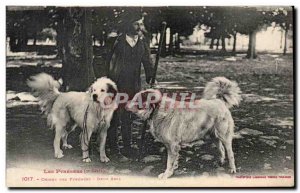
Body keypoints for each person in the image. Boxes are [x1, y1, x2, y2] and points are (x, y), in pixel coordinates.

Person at [106, 12, 154, 161]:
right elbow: (107, 61)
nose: (139, 27)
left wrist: (150, 76)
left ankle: (127, 147)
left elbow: (147, 61)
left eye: (140, 23)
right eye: (136, 23)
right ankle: (113, 148)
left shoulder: (142, 42)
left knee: (129, 116)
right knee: (113, 117)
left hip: (133, 86)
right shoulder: (116, 41)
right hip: (117, 85)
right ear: (128, 24)